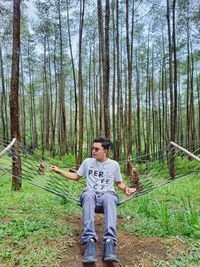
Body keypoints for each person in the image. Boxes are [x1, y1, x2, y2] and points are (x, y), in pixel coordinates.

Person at [50, 136, 136, 263]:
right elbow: (76, 176)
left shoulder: (114, 165)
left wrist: (126, 189)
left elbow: (119, 183)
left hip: (107, 195)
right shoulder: (87, 162)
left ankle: (109, 242)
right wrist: (59, 171)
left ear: (105, 151)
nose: (93, 151)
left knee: (109, 197)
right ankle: (89, 240)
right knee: (88, 194)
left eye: (97, 149)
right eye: (92, 148)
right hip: (91, 196)